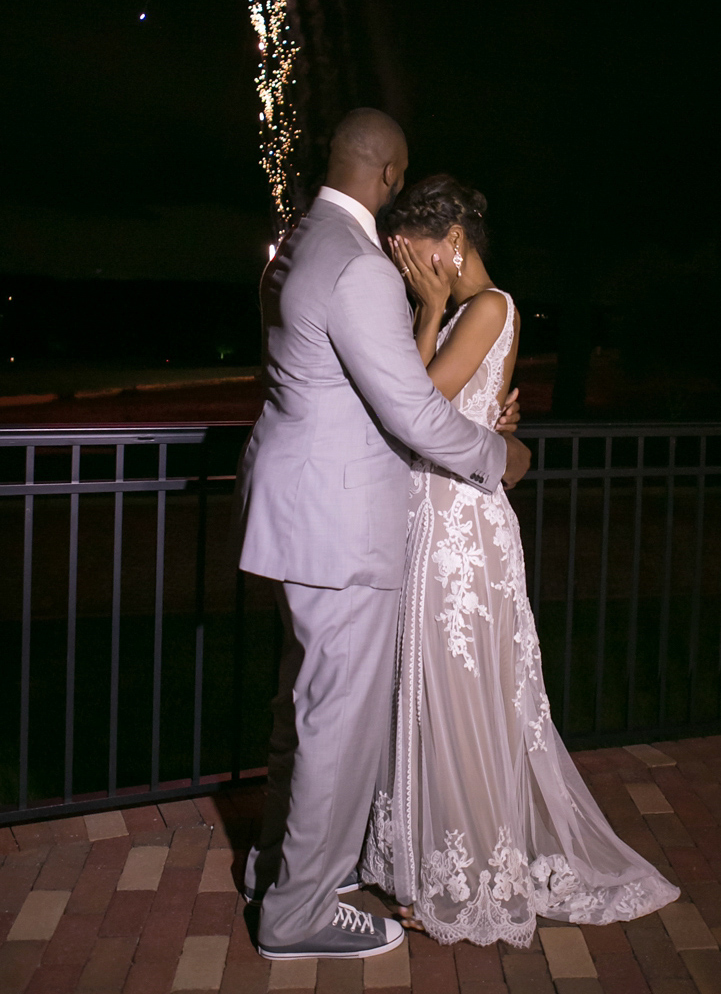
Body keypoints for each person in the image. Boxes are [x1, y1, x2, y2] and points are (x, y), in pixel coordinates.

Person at [234, 112, 532, 962]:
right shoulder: (359, 265)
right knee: (337, 724)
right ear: (392, 174)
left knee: (302, 709)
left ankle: (275, 870)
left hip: (299, 510)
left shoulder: (296, 244)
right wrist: (497, 454)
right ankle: (300, 913)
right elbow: (408, 409)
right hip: (343, 523)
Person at [361, 174, 680, 947]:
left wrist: (429, 310)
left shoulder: (490, 306)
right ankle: (429, 857)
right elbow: (433, 406)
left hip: (463, 529)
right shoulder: (463, 310)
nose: (407, 263)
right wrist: (428, 312)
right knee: (435, 692)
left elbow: (416, 404)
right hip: (436, 520)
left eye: (415, 250)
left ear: (454, 242)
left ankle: (471, 879)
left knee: (467, 699)